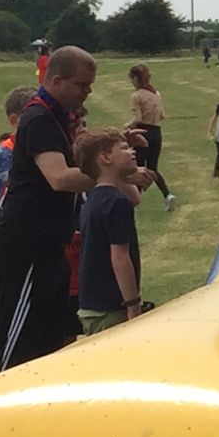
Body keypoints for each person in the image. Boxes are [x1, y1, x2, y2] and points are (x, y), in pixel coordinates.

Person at [0, 46, 96, 371]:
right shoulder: (38, 119)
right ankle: (0, 411)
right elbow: (60, 178)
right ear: (57, 80)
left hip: (49, 248)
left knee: (48, 344)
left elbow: (75, 162)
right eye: (81, 85)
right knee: (18, 348)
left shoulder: (58, 118)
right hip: (25, 249)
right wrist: (111, 174)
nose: (87, 92)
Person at [75, 130, 153, 331]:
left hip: (92, 306)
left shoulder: (93, 198)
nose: (132, 152)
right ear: (105, 157)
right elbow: (120, 257)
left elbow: (135, 198)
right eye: (125, 148)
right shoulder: (116, 202)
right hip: (111, 310)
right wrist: (133, 305)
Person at [126, 64, 176, 208]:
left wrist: (128, 127)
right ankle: (167, 194)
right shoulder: (156, 94)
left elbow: (138, 119)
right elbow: (162, 115)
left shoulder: (136, 96)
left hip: (143, 131)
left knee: (139, 167)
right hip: (156, 132)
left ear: (135, 78)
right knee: (153, 167)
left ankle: (136, 200)